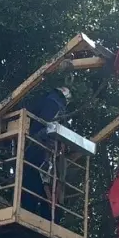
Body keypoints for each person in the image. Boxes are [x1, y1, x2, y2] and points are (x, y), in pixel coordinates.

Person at [20, 86, 70, 217]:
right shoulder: (55, 105)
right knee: (41, 183)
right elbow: (48, 127)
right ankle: (46, 215)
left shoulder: (45, 102)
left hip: (34, 149)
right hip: (40, 150)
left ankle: (29, 211)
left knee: (32, 182)